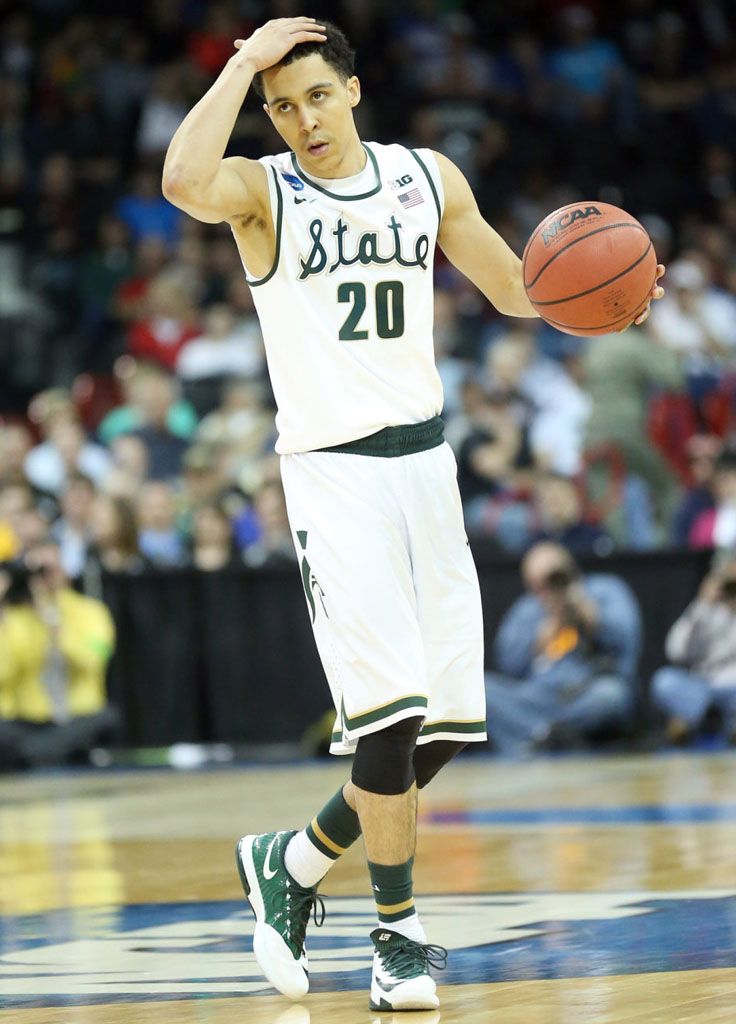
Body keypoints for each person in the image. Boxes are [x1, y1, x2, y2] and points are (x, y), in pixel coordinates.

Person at [162, 17, 664, 1011]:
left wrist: (605, 299)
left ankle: (293, 863)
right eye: (281, 105)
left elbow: (519, 284)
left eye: (314, 95)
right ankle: (397, 936)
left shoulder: (425, 177)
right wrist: (239, 65)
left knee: (437, 731)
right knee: (385, 723)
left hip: (425, 469)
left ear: (351, 90)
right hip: (334, 476)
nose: (301, 118)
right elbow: (184, 178)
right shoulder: (263, 193)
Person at [484, 541, 642, 754]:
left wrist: (593, 620)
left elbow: (626, 643)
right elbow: (507, 665)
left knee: (611, 696)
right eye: (539, 584)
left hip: (586, 689)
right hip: (538, 695)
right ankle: (550, 735)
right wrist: (540, 639)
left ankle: (534, 735)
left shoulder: (604, 590)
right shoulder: (527, 609)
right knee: (481, 689)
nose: (550, 588)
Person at [0, 539, 117, 769]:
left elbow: (95, 659)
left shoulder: (92, 612)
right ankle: (48, 753)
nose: (45, 577)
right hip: (31, 719)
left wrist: (57, 631)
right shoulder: (17, 618)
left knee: (109, 718)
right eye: (38, 571)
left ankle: (33, 754)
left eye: (50, 569)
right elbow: (5, 672)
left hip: (79, 715)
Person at [650, 558, 736, 744]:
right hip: (703, 685)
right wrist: (702, 604)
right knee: (664, 681)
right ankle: (703, 720)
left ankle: (702, 722)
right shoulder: (705, 610)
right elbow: (675, 650)